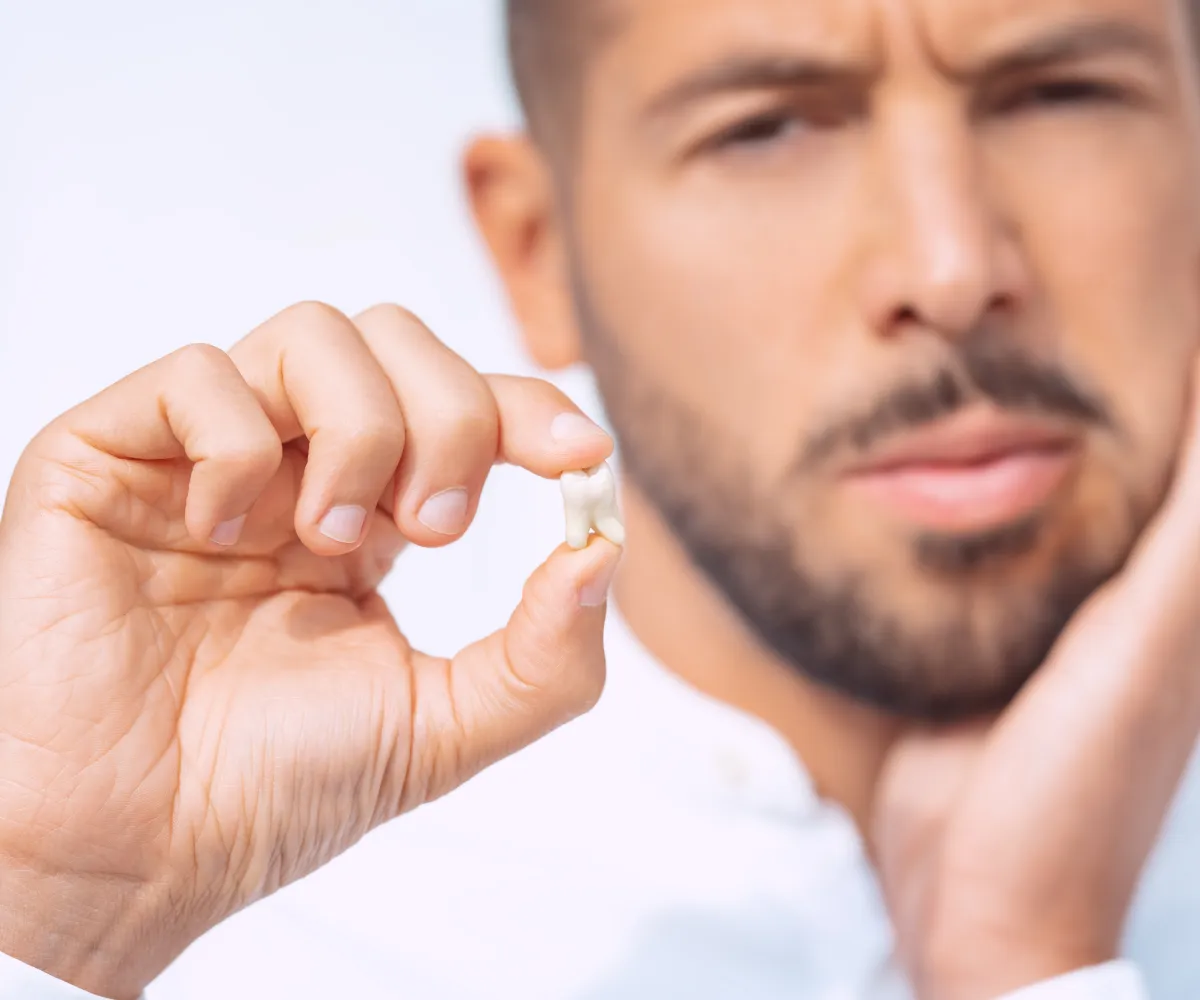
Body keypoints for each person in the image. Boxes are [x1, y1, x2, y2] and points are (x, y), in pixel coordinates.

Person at [4, 0, 1200, 996]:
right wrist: (64, 912)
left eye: (1061, 93)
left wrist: (1025, 961)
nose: (950, 269)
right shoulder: (248, 939)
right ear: (537, 248)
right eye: (767, 125)